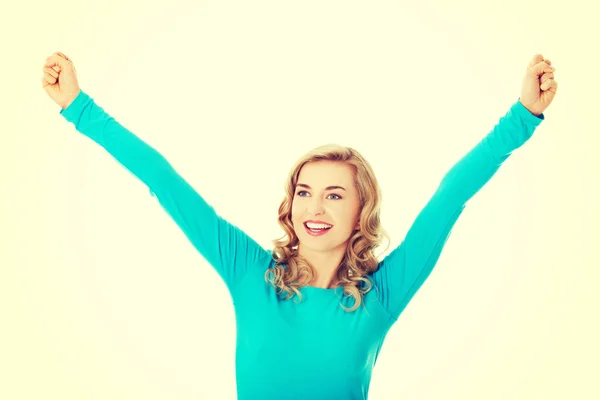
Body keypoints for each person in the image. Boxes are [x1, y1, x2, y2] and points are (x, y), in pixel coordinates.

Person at [41, 51, 558, 399]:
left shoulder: (383, 293)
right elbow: (164, 181)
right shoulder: (249, 272)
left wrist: (522, 117)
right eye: (304, 193)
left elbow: (452, 196)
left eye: (335, 196)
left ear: (361, 213)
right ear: (289, 206)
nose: (315, 208)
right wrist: (78, 107)